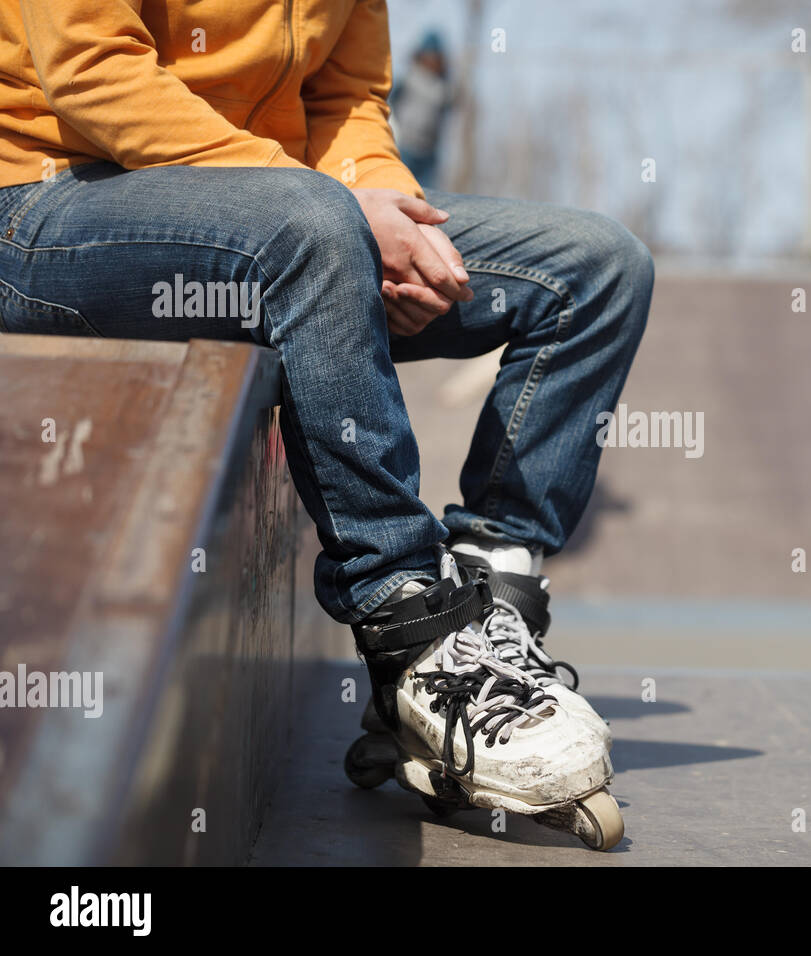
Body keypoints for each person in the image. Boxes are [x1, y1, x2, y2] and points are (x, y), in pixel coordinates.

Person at [0, 0, 652, 850]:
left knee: (596, 268)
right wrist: (333, 213)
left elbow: (347, 101)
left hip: (276, 218)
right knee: (310, 225)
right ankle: (409, 628)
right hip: (51, 208)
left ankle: (490, 626)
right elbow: (91, 71)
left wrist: (396, 225)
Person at [391, 30, 453, 188]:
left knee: (427, 194)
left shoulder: (443, 88)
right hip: (405, 145)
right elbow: (391, 103)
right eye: (429, 56)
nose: (432, 61)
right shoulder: (408, 79)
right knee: (401, 189)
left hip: (429, 150)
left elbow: (449, 110)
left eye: (435, 58)